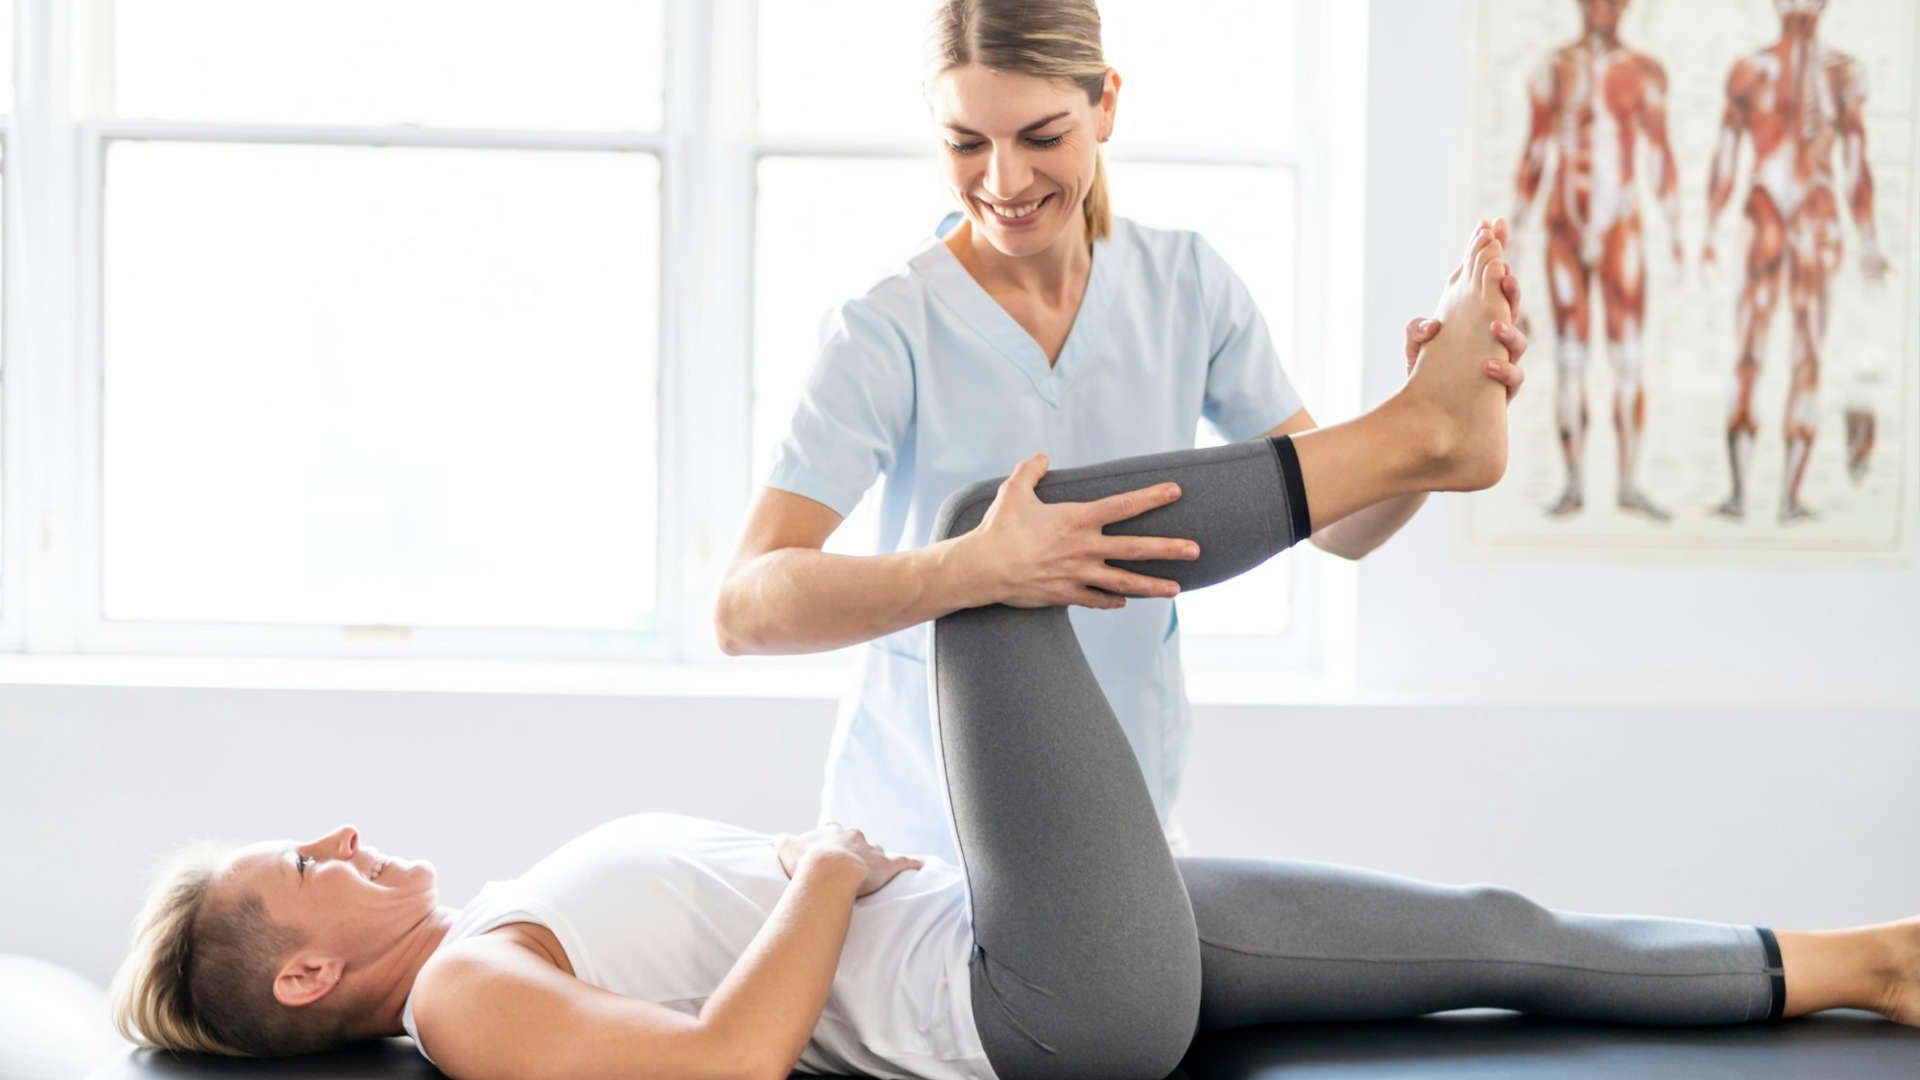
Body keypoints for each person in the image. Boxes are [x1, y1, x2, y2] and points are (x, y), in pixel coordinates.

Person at [111, 228, 1920, 1080]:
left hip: (1039, 938)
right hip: (1027, 996)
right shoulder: (458, 996)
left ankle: (1866, 961)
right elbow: (722, 1074)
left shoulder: (496, 924)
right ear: (305, 974)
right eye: (304, 863)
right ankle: (1414, 438)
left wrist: (818, 883)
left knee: (1484, 930)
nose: (340, 837)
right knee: (992, 534)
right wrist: (824, 874)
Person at [714, 0, 1530, 865]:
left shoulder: (1186, 285)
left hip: (1123, 833)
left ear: (1105, 105)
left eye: (1041, 136)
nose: (1004, 180)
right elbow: (743, 607)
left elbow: (1340, 529)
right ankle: (1421, 428)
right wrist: (973, 568)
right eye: (966, 143)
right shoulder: (888, 326)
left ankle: (1422, 431)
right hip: (918, 842)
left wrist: (1421, 461)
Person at [1703, 0, 1889, 522]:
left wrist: (1869, 237)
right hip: (1770, 210)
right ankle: (1746, 493)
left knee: (1802, 352)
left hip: (1812, 212)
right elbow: (1725, 155)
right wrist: (1711, 229)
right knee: (1754, 347)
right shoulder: (1752, 70)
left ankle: (1782, 495)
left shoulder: (1840, 73)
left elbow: (1855, 159)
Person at [1512, 0, 1681, 520]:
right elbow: (1535, 153)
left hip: (1619, 229)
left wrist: (1676, 231)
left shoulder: (1645, 72)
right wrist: (1513, 241)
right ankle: (1574, 483)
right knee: (1571, 358)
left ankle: (1628, 482)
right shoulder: (1554, 67)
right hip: (1564, 225)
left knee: (1627, 358)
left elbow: (1659, 154)